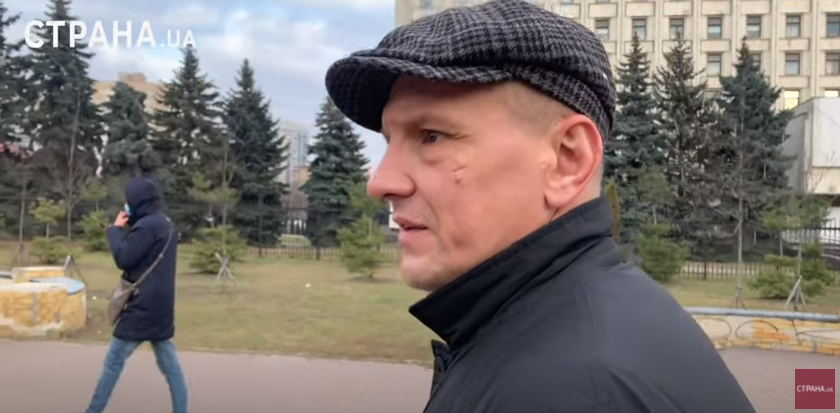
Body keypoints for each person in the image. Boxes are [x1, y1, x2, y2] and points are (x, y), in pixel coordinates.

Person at [324, 0, 756, 411]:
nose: (381, 182)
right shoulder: (597, 316)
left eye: (431, 136)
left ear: (568, 160)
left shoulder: (569, 392)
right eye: (390, 140)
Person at [83, 176, 188, 413]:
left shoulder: (147, 226)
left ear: (139, 200)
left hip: (141, 306)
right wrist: (130, 226)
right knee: (171, 367)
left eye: (129, 200)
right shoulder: (165, 224)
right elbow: (145, 254)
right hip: (162, 306)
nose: (126, 204)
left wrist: (115, 230)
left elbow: (124, 258)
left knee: (113, 361)